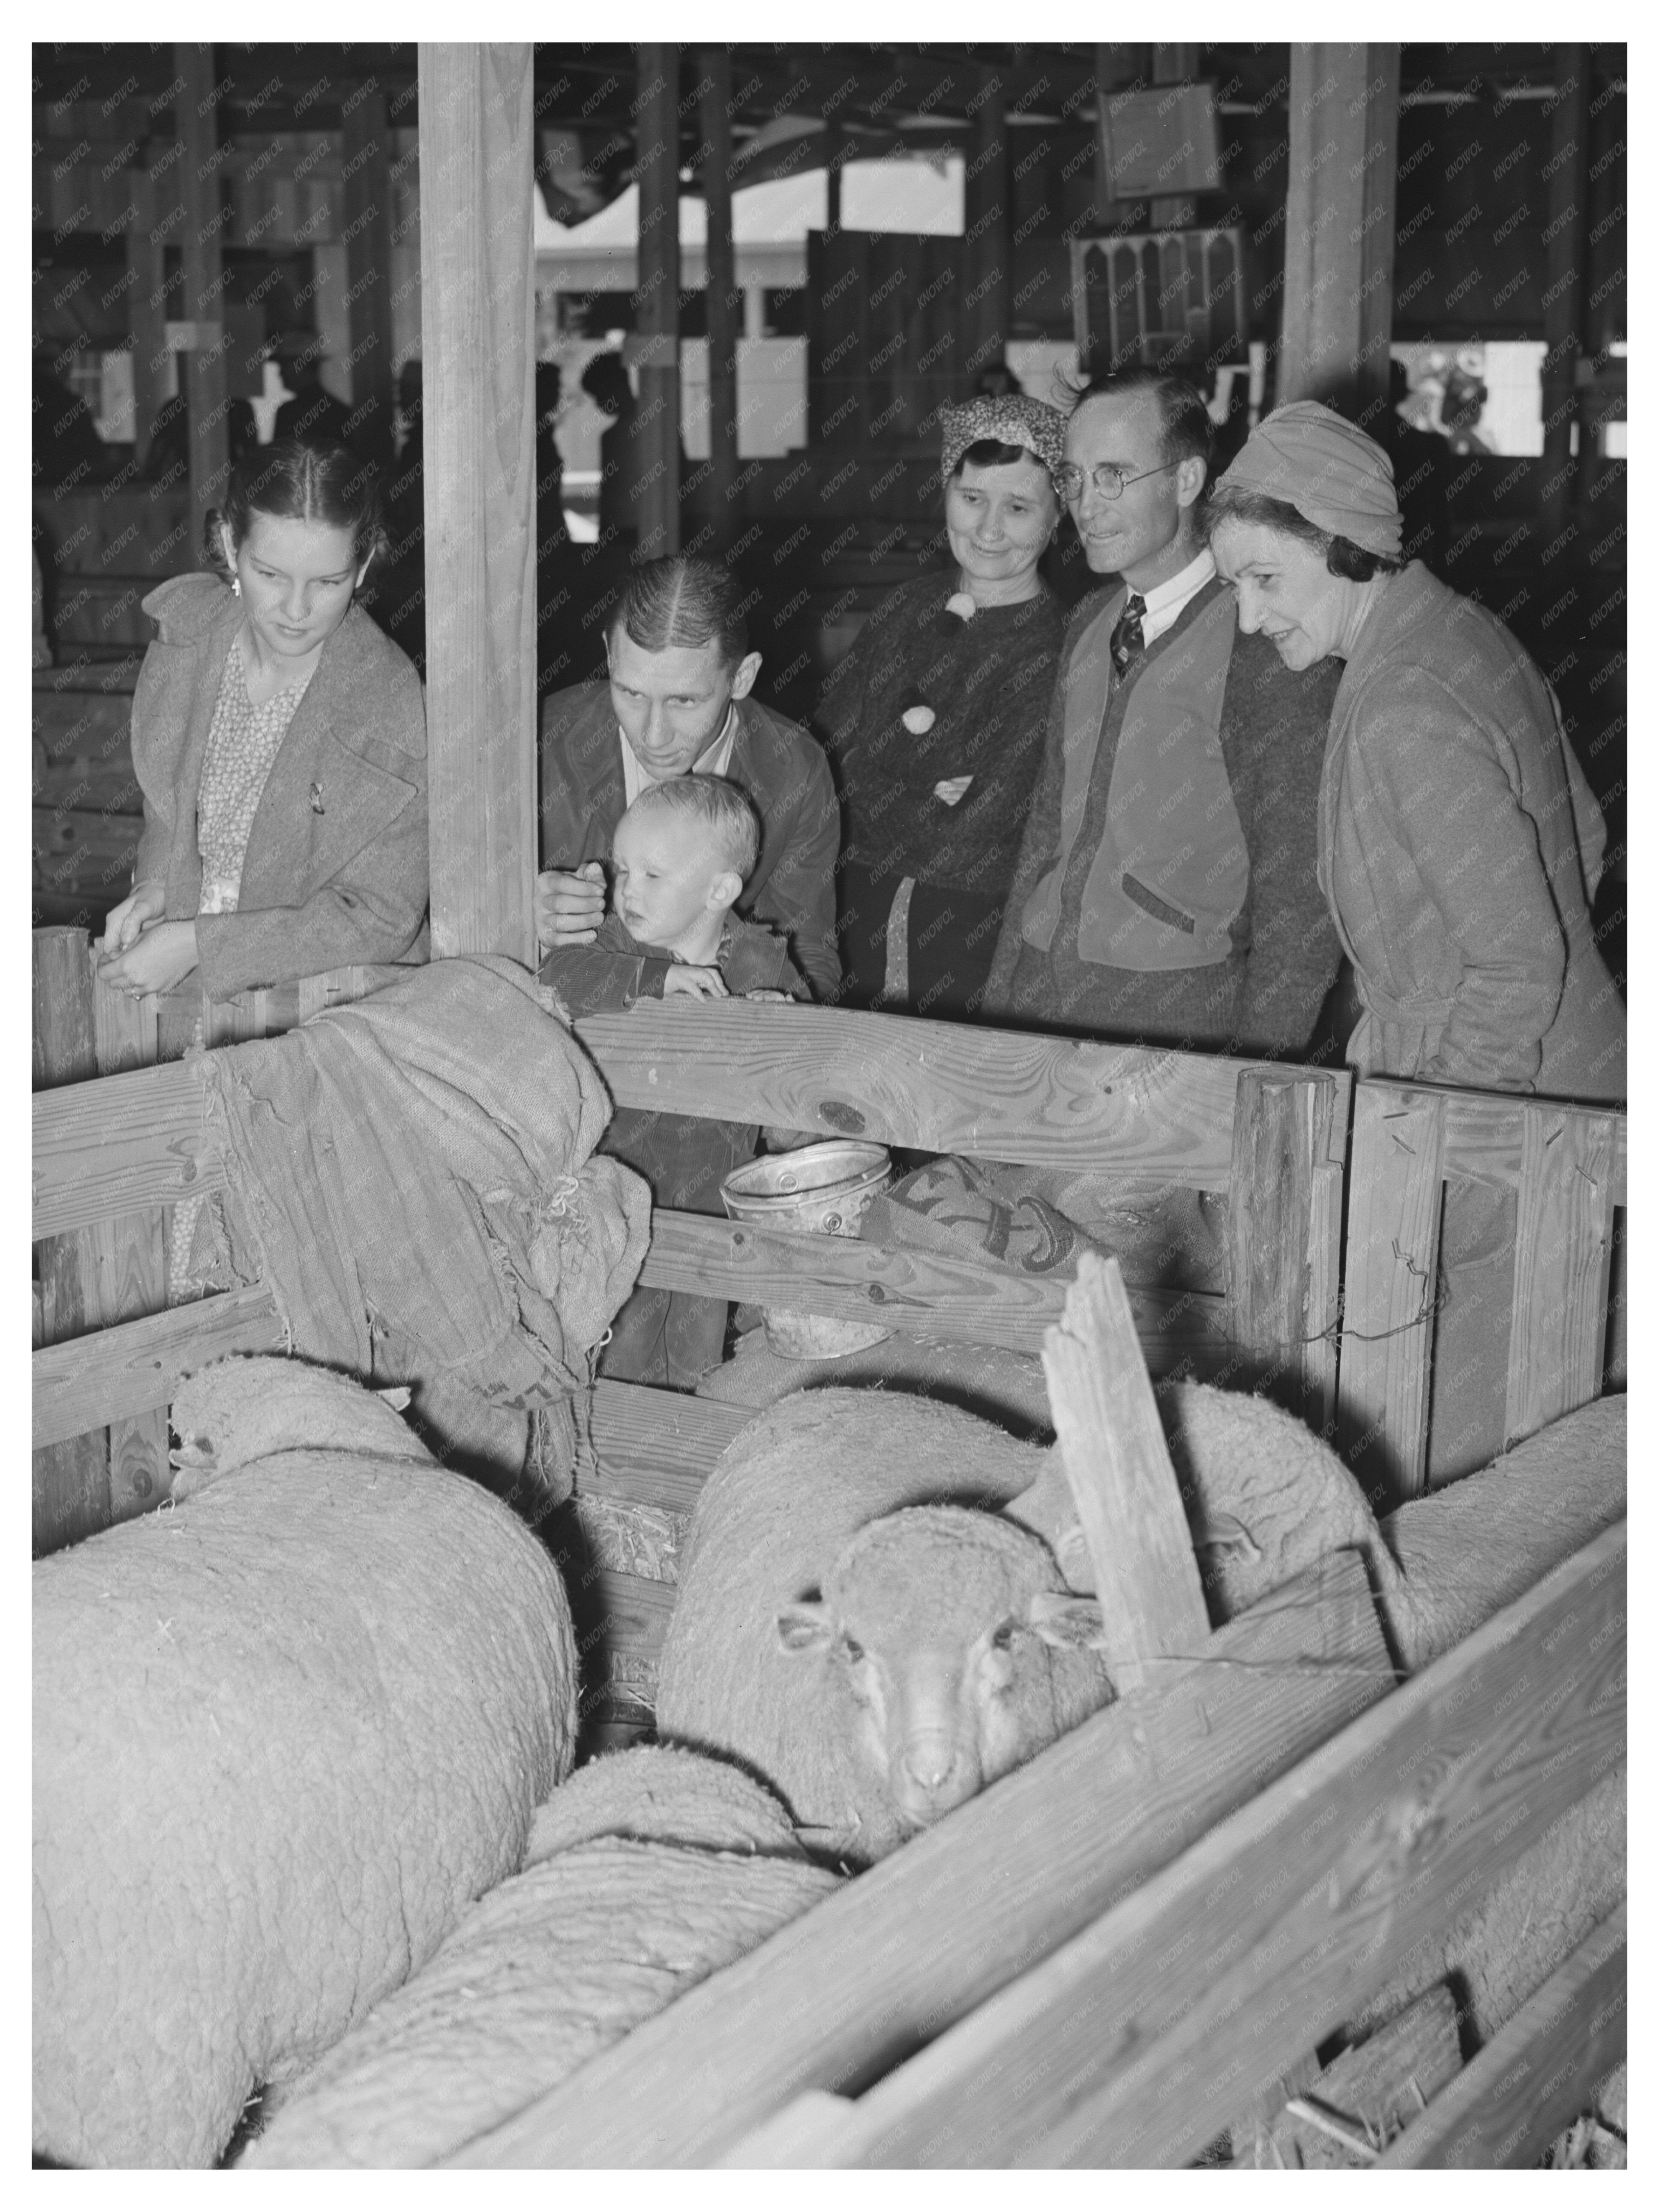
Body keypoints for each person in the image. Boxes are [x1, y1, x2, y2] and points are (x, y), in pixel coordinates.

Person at [1205, 398, 1626, 1477]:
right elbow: (1579, 826)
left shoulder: (1402, 704)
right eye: (1231, 586)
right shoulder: (1456, 631)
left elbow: (1519, 962)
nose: (1249, 620)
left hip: (1501, 1113)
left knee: (1457, 1457)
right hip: (1559, 1077)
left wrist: (1438, 1157)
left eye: (1265, 580)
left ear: (1343, 543)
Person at [982, 366, 1344, 1058]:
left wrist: (1255, 1075)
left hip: (1171, 1019)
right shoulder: (1091, 620)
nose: (1087, 504)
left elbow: (1301, 896)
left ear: (1186, 481)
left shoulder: (1262, 639)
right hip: (1038, 1000)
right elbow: (1043, 835)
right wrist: (995, 1016)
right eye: (1074, 477)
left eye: (1114, 474)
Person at [96, 436, 428, 1006]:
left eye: (328, 583)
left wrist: (204, 945)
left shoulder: (389, 702)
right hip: (186, 990)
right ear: (229, 543)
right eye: (271, 574)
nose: (297, 611)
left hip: (330, 1012)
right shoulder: (191, 638)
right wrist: (157, 885)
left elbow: (380, 916)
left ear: (364, 563)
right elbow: (168, 809)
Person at [541, 774, 804, 1386]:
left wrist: (775, 1021)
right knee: (619, 1325)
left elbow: (802, 1064)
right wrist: (652, 983)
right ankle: (610, 1427)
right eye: (623, 870)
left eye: (652, 876)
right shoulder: (612, 944)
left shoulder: (761, 963)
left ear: (720, 890)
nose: (629, 890)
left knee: (699, 1332)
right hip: (620, 1180)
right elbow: (559, 974)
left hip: (713, 1188)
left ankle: (682, 1434)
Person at [813, 395, 1068, 1018]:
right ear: (946, 490)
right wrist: (928, 789)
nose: (987, 529)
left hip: (974, 931)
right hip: (854, 912)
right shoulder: (904, 609)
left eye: (1018, 507)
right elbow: (824, 764)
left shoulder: (1059, 644)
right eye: (973, 498)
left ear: (1058, 517)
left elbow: (981, 823)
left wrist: (883, 790)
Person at [537, 553, 840, 1000]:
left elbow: (810, 953)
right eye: (630, 692)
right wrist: (516, 915)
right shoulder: (539, 739)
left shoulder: (796, 770)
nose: (653, 735)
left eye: (684, 702)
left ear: (742, 677)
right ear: (609, 653)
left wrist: (782, 1014)